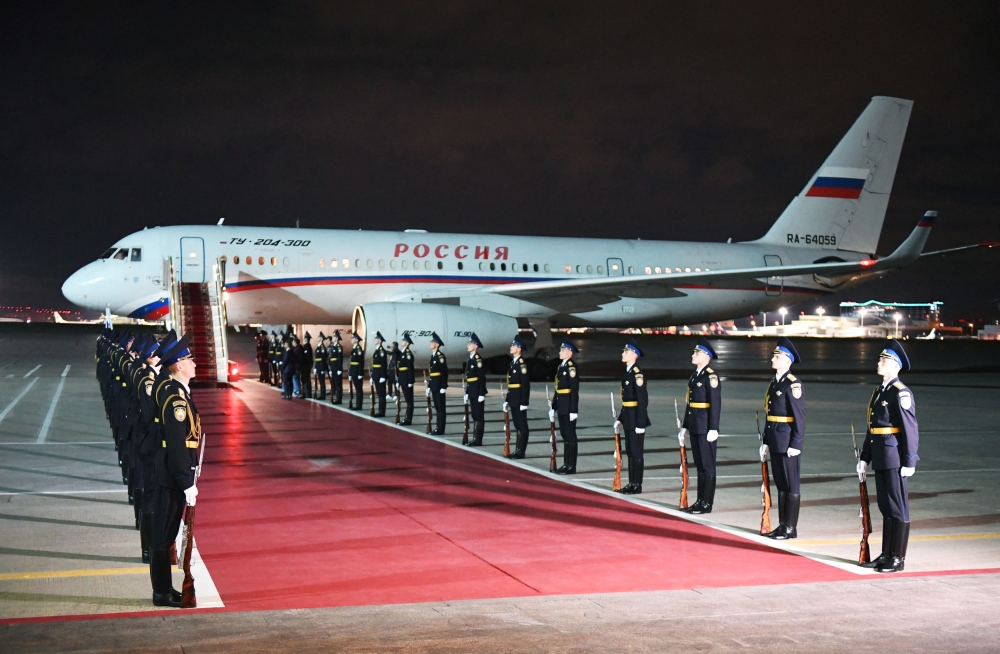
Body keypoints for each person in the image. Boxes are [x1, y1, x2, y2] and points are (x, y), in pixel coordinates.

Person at [148, 335, 201, 608]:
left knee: (166, 534)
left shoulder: (178, 392)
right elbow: (177, 443)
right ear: (179, 366)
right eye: (188, 360)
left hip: (174, 474)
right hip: (172, 476)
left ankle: (164, 589)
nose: (193, 363)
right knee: (163, 535)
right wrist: (186, 482)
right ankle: (162, 591)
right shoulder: (175, 397)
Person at [858, 339, 919, 573]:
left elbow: (909, 428)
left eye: (884, 360)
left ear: (895, 366)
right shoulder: (878, 391)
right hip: (881, 456)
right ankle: (886, 553)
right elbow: (872, 428)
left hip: (894, 457)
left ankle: (898, 558)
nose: (879, 362)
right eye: (880, 359)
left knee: (898, 507)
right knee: (885, 506)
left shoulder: (900, 393)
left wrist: (909, 460)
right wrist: (865, 457)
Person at [761, 337, 806, 539]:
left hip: (787, 441)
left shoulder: (792, 384)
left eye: (777, 356)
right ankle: (782, 525)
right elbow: (769, 414)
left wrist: (796, 443)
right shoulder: (774, 382)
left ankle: (790, 527)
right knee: (780, 485)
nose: (773, 358)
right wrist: (766, 441)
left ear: (787, 361)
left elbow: (800, 416)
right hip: (776, 439)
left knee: (791, 485)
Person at [679, 337, 722, 514]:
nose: (693, 355)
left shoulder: (710, 377)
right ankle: (699, 501)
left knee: (707, 465)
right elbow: (690, 404)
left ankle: (706, 503)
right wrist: (685, 426)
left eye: (697, 353)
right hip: (696, 425)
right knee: (699, 465)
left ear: (706, 356)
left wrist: (714, 428)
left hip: (705, 427)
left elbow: (715, 404)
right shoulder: (695, 375)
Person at [615, 338, 650, 494]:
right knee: (630, 452)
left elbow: (642, 400)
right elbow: (626, 400)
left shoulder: (637, 374)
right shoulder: (628, 372)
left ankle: (637, 484)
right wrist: (620, 419)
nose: (623, 353)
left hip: (636, 418)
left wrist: (641, 423)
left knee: (636, 452)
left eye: (626, 351)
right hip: (628, 417)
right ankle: (631, 482)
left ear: (634, 354)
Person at [551, 341, 580, 473]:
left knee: (570, 436)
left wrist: (574, 410)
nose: (560, 352)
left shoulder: (571, 368)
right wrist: (554, 405)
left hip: (568, 406)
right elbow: (558, 388)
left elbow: (574, 390)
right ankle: (566, 463)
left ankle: (571, 465)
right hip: (562, 405)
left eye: (562, 350)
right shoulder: (561, 367)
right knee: (565, 435)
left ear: (570, 352)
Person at [504, 336, 531, 459]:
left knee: (522, 426)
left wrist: (524, 402)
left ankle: (521, 451)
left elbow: (525, 385)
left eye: (513, 345)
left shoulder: (521, 365)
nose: (511, 347)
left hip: (519, 400)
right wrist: (507, 400)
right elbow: (511, 385)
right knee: (517, 425)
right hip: (513, 399)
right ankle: (517, 449)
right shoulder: (513, 363)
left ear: (519, 348)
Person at [464, 333, 488, 446]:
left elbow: (481, 378)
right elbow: (470, 379)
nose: (468, 345)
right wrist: (467, 392)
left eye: (470, 343)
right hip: (472, 391)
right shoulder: (470, 359)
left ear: (475, 346)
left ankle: (477, 439)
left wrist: (481, 393)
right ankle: (474, 438)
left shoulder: (478, 360)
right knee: (474, 415)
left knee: (478, 416)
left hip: (478, 392)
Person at [428, 332, 448, 434]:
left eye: (432, 342)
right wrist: (429, 386)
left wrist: (444, 386)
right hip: (434, 385)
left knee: (441, 408)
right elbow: (432, 373)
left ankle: (440, 428)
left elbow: (444, 372)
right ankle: (437, 427)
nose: (430, 344)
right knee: (437, 407)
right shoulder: (433, 356)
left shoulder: (440, 356)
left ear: (437, 344)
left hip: (439, 385)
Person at [397, 333, 416, 424]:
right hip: (403, 379)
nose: (402, 342)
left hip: (407, 380)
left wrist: (410, 381)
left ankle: (408, 419)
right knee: (407, 400)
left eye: (404, 341)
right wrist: (399, 380)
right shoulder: (403, 353)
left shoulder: (408, 354)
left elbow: (410, 368)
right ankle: (406, 418)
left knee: (409, 401)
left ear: (407, 343)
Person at [371, 331, 388, 417]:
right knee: (378, 393)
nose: (375, 340)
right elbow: (375, 365)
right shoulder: (377, 351)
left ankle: (381, 411)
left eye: (376, 339)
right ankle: (379, 410)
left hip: (380, 375)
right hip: (376, 374)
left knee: (381, 394)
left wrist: (383, 376)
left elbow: (383, 364)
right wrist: (372, 376)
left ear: (380, 341)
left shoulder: (381, 351)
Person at [348, 332, 365, 410]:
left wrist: (360, 373)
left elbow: (361, 362)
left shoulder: (358, 349)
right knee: (356, 389)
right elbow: (352, 363)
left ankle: (359, 405)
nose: (351, 340)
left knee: (359, 389)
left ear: (356, 340)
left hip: (357, 372)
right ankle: (357, 404)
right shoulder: (354, 349)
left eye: (352, 338)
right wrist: (350, 373)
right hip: (353, 371)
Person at [329, 330, 344, 404]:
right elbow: (331, 359)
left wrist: (339, 369)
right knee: (335, 383)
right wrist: (331, 369)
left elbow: (339, 359)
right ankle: (336, 398)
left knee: (338, 384)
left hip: (337, 368)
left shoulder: (338, 347)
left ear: (337, 339)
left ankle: (339, 399)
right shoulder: (333, 347)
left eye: (334, 337)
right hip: (333, 368)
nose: (332, 337)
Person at [314, 332, 329, 400]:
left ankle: (323, 395)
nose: (317, 338)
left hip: (321, 367)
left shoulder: (322, 347)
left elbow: (323, 359)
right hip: (318, 366)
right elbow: (317, 359)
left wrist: (323, 369)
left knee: (322, 382)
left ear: (321, 339)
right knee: (320, 381)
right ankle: (321, 394)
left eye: (318, 337)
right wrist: (315, 367)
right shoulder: (319, 346)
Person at [299, 332, 314, 399]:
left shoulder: (307, 347)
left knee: (306, 379)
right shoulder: (305, 347)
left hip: (306, 366)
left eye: (305, 339)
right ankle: (304, 393)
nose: (304, 340)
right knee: (304, 379)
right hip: (304, 365)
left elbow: (307, 357)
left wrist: (309, 365)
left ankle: (307, 394)